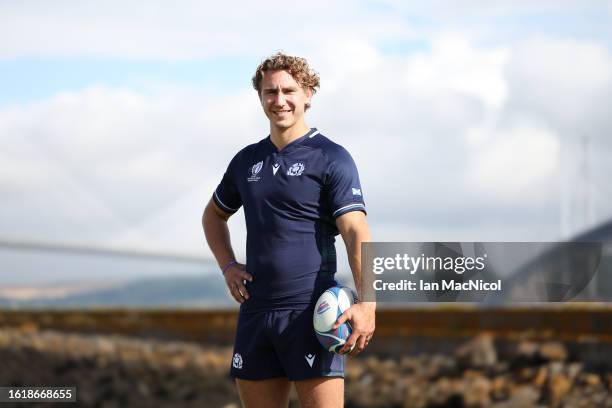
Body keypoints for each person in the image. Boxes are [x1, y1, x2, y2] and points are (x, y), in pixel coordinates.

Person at [203, 51, 375, 408]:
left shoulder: (331, 158)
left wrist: (368, 304)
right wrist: (227, 265)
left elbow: (356, 232)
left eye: (288, 91)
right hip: (255, 311)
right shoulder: (246, 161)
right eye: (270, 92)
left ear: (308, 94)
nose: (279, 100)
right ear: (260, 97)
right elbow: (213, 216)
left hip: (312, 314)